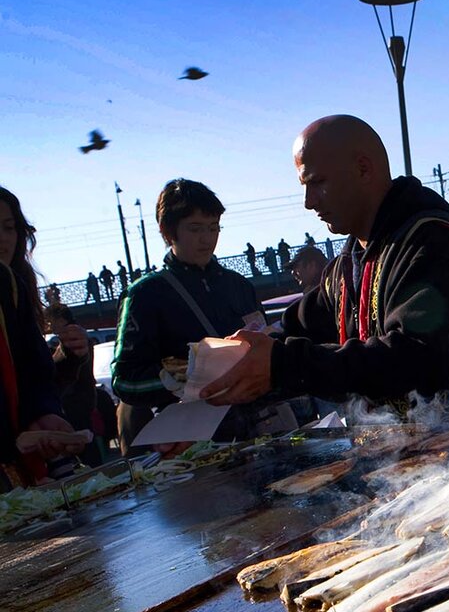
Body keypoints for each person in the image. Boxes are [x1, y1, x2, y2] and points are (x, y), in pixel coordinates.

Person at [200, 114, 449, 420]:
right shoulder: (346, 267)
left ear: (364, 168)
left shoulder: (436, 243)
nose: (308, 202)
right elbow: (299, 327)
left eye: (317, 182)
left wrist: (282, 365)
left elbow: (412, 358)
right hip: (408, 463)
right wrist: (238, 359)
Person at [111, 179, 263, 454]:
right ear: (168, 232)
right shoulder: (145, 294)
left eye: (213, 228)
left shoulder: (239, 286)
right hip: (191, 445)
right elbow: (124, 380)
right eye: (195, 229)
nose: (207, 239)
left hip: (255, 432)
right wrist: (183, 379)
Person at [0, 186, 81, 486]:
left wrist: (43, 413)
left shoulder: (15, 287)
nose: (3, 238)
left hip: (19, 472)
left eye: (9, 228)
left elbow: (31, 374)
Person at [45, 304, 103, 466]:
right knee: (86, 439)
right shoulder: (80, 334)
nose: (50, 326)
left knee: (82, 441)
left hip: (74, 400)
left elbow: (67, 366)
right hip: (84, 398)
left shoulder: (72, 337)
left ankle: (94, 471)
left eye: (51, 322)